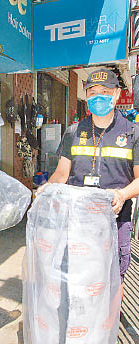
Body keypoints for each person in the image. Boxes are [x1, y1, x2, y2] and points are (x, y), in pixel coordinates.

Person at [37, 68, 139, 292]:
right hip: (77, 220)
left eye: (105, 91)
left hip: (115, 220)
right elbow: (62, 174)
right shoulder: (74, 132)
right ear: (86, 96)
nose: (98, 97)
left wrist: (122, 194)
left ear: (116, 94)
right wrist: (46, 190)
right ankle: (81, 323)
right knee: (78, 275)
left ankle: (107, 326)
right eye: (92, 93)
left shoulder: (132, 132)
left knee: (113, 280)